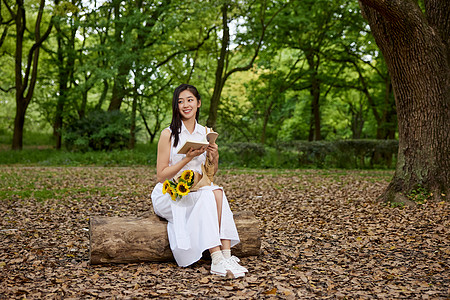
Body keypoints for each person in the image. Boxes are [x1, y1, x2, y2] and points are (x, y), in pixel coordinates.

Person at [151, 83, 248, 278]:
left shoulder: (205, 132)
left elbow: (210, 176)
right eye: (180, 101)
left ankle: (227, 255)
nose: (185, 105)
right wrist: (187, 157)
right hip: (169, 194)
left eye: (190, 100)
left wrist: (215, 156)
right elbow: (161, 176)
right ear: (176, 106)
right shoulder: (168, 134)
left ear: (198, 103)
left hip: (198, 189)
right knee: (208, 196)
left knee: (217, 191)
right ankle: (217, 258)